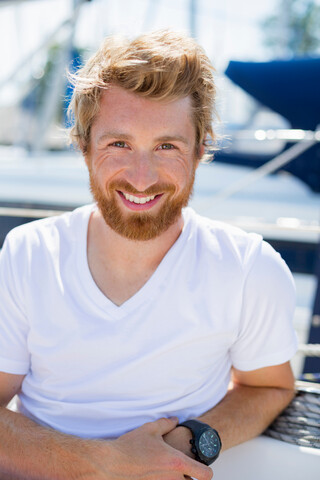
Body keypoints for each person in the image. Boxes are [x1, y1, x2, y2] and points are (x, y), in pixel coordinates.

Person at [0, 29, 297, 480]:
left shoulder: (249, 268)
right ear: (84, 146)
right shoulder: (28, 254)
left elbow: (268, 387)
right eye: (118, 144)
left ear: (200, 150)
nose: (142, 178)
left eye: (166, 146)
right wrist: (107, 464)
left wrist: (186, 443)